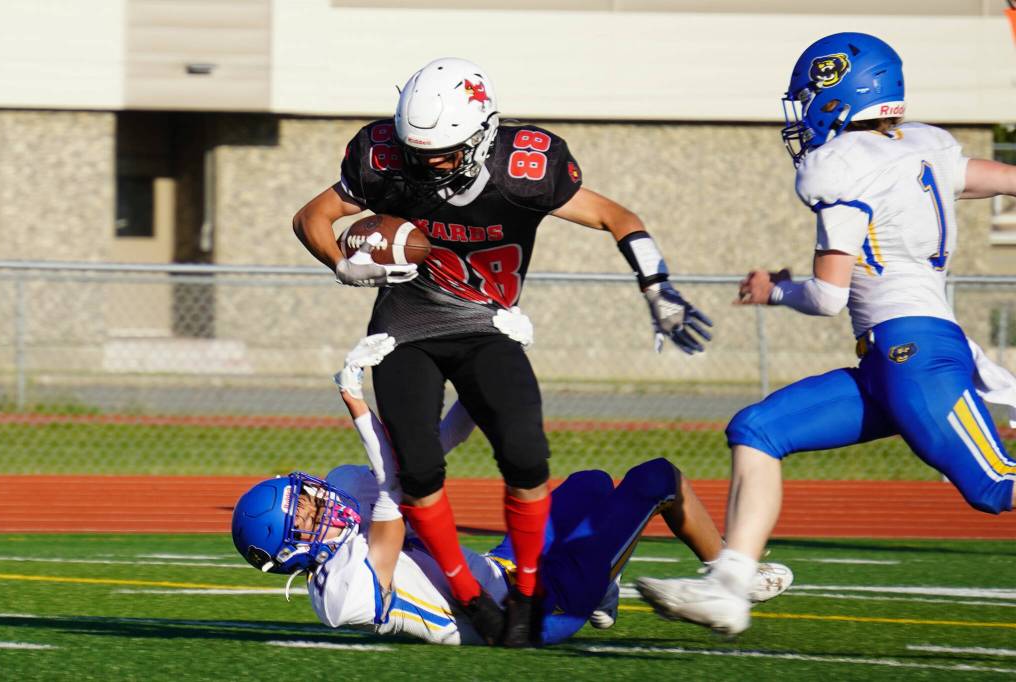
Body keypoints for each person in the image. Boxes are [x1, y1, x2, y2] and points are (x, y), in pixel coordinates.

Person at [291, 57, 713, 645]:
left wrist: (657, 288)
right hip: (404, 327)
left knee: (525, 453)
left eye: (443, 150)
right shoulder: (383, 155)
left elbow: (618, 217)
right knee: (416, 467)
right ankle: (469, 594)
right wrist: (340, 263)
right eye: (419, 151)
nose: (429, 162)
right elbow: (312, 216)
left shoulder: (526, 165)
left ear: (484, 130)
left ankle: (528, 588)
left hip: (487, 325)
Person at [634, 32, 1016, 637]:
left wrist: (776, 291)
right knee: (757, 429)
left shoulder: (841, 165)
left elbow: (830, 296)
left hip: (914, 353)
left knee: (996, 485)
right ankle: (729, 587)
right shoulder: (924, 148)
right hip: (890, 362)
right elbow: (1001, 177)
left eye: (811, 94)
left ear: (842, 92)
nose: (803, 111)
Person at [230, 335, 792, 646]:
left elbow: (420, 456)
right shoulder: (340, 592)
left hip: (501, 571)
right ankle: (732, 575)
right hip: (533, 614)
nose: (320, 503)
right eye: (303, 514)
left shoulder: (346, 499)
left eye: (306, 495)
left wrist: (482, 375)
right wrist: (353, 399)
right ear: (289, 552)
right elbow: (393, 484)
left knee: (589, 483)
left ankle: (605, 589)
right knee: (658, 476)